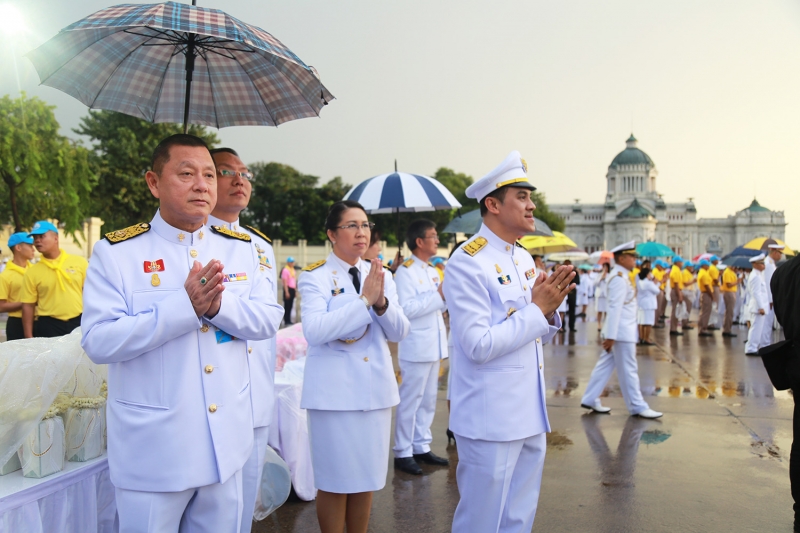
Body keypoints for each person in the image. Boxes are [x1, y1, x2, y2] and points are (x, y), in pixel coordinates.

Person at [81, 134, 284, 533]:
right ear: (154, 183)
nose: (202, 185)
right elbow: (98, 341)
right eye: (186, 173)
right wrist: (182, 309)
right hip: (155, 453)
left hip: (225, 448)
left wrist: (218, 306)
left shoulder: (241, 248)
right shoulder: (119, 253)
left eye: (209, 174)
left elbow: (266, 321)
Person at [444, 151, 573, 533]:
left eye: (530, 197)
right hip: (490, 417)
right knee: (481, 522)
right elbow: (478, 345)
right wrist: (536, 310)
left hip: (528, 412)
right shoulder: (467, 261)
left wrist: (547, 313)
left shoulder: (523, 258)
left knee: (518, 518)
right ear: (493, 204)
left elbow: (531, 333)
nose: (532, 205)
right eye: (522, 196)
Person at [298, 200, 409, 533]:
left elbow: (401, 330)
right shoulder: (314, 277)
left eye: (365, 225)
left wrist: (381, 302)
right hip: (334, 397)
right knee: (334, 480)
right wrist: (363, 302)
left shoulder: (381, 274)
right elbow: (315, 330)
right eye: (352, 226)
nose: (362, 232)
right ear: (332, 234)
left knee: (366, 478)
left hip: (373, 392)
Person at [207, 147, 279, 533]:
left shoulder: (260, 246)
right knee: (214, 510)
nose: (239, 180)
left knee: (244, 504)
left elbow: (269, 321)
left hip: (257, 393)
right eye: (225, 172)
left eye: (245, 173)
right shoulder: (193, 242)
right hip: (217, 394)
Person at [580, 241, 662, 419]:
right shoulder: (618, 278)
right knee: (629, 369)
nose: (635, 259)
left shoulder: (622, 276)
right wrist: (611, 336)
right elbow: (615, 308)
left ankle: (590, 397)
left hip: (620, 331)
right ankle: (637, 406)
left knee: (605, 366)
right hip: (620, 333)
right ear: (622, 258)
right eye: (632, 256)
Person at [392, 219, 449, 475]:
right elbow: (407, 309)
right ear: (419, 241)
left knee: (427, 401)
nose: (437, 240)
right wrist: (438, 297)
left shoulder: (431, 270)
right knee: (410, 400)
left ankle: (421, 445)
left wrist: (445, 298)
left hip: (433, 344)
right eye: (433, 236)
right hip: (416, 346)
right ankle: (402, 452)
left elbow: (438, 306)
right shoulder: (406, 271)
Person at [20, 220, 88, 338]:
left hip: (78, 321)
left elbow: (90, 293)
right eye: (35, 238)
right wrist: (28, 337)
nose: (37, 241)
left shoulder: (80, 263)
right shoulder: (32, 272)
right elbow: (28, 306)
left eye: (41, 236)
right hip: (49, 325)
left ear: (56, 238)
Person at [0, 232, 36, 340]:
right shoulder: (5, 276)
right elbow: (1, 306)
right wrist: (27, 303)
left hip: (38, 321)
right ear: (18, 247)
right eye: (30, 246)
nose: (33, 249)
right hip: (16, 323)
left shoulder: (35, 271)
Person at [744, 254, 769, 355]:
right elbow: (756, 293)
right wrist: (761, 307)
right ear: (755, 264)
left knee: (757, 329)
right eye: (761, 263)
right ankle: (751, 348)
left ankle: (753, 347)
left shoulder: (758, 274)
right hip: (757, 307)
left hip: (758, 307)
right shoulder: (755, 276)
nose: (764, 265)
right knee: (755, 329)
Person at [762, 244, 785, 347]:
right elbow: (768, 283)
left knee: (768, 322)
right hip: (768, 299)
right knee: (767, 323)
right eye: (780, 253)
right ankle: (765, 344)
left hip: (768, 298)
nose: (780, 256)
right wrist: (771, 299)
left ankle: (766, 342)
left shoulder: (770, 263)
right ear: (775, 252)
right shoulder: (768, 264)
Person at [636, 267, 660, 345]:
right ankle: (646, 338)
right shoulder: (648, 283)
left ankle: (642, 337)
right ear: (647, 275)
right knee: (648, 323)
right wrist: (655, 283)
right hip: (649, 304)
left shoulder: (640, 282)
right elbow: (657, 291)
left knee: (642, 322)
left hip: (641, 304)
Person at [721, 262, 739, 338]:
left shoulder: (731, 272)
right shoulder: (727, 272)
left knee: (730, 311)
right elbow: (729, 284)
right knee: (729, 311)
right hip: (729, 292)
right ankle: (727, 330)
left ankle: (727, 329)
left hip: (732, 292)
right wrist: (738, 281)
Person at [696, 260, 714, 337]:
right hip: (706, 294)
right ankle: (703, 329)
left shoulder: (703, 272)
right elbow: (707, 286)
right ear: (703, 266)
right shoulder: (703, 274)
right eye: (707, 265)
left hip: (705, 294)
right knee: (706, 312)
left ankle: (702, 328)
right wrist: (712, 296)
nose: (708, 267)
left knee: (704, 311)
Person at [668, 256, 685, 336]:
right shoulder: (675, 271)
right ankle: (673, 329)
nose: (682, 263)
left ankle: (674, 328)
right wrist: (679, 295)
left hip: (677, 290)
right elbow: (676, 284)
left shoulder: (677, 270)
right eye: (681, 262)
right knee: (675, 310)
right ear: (677, 262)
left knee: (676, 310)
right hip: (676, 291)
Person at [280, 257, 297, 325]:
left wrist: (295, 291)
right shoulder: (285, 270)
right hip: (287, 289)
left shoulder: (293, 270)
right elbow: (285, 281)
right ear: (288, 263)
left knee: (290, 305)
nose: (292, 263)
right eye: (291, 262)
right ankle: (286, 320)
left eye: (293, 262)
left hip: (292, 289)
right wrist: (286, 292)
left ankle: (289, 320)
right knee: (286, 305)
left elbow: (294, 280)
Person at [595, 262, 611, 330]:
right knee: (599, 311)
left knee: (606, 311)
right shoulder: (599, 275)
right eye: (604, 267)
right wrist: (601, 278)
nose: (605, 268)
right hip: (600, 295)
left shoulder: (610, 275)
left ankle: (606, 324)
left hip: (606, 295)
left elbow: (610, 285)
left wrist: (606, 278)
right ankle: (599, 324)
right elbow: (595, 284)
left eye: (606, 267)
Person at [708, 255, 722, 330]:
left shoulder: (714, 268)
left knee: (714, 305)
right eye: (717, 260)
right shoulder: (712, 268)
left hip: (715, 286)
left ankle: (712, 323)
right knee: (714, 305)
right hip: (714, 287)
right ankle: (711, 324)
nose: (718, 261)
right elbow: (715, 280)